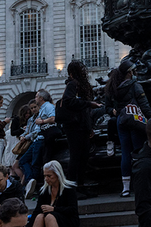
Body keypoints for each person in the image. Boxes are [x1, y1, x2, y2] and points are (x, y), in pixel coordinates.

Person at [112, 57, 151, 197]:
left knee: (125, 153)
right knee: (139, 151)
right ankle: (140, 183)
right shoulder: (135, 85)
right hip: (135, 120)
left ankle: (125, 188)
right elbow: (144, 105)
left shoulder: (115, 86)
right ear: (130, 73)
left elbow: (114, 107)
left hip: (121, 120)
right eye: (134, 71)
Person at [58, 59, 101, 199]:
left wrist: (90, 127)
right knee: (76, 157)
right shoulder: (72, 85)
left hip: (82, 125)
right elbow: (69, 101)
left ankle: (80, 186)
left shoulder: (83, 86)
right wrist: (88, 103)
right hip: (73, 126)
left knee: (83, 157)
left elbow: (85, 111)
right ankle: (71, 189)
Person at [22, 89, 55, 199]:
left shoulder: (48, 106)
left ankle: (33, 185)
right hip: (36, 139)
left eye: (37, 96)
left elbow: (53, 118)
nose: (35, 98)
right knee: (23, 161)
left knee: (36, 163)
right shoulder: (43, 108)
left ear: (41, 98)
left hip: (40, 138)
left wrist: (42, 122)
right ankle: (31, 180)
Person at [27, 160, 79, 227]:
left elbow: (73, 210)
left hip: (67, 219)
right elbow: (37, 210)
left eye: (49, 176)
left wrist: (54, 209)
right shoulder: (44, 191)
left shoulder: (69, 189)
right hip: (48, 219)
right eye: (45, 176)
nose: (46, 179)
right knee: (39, 216)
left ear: (57, 174)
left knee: (49, 216)